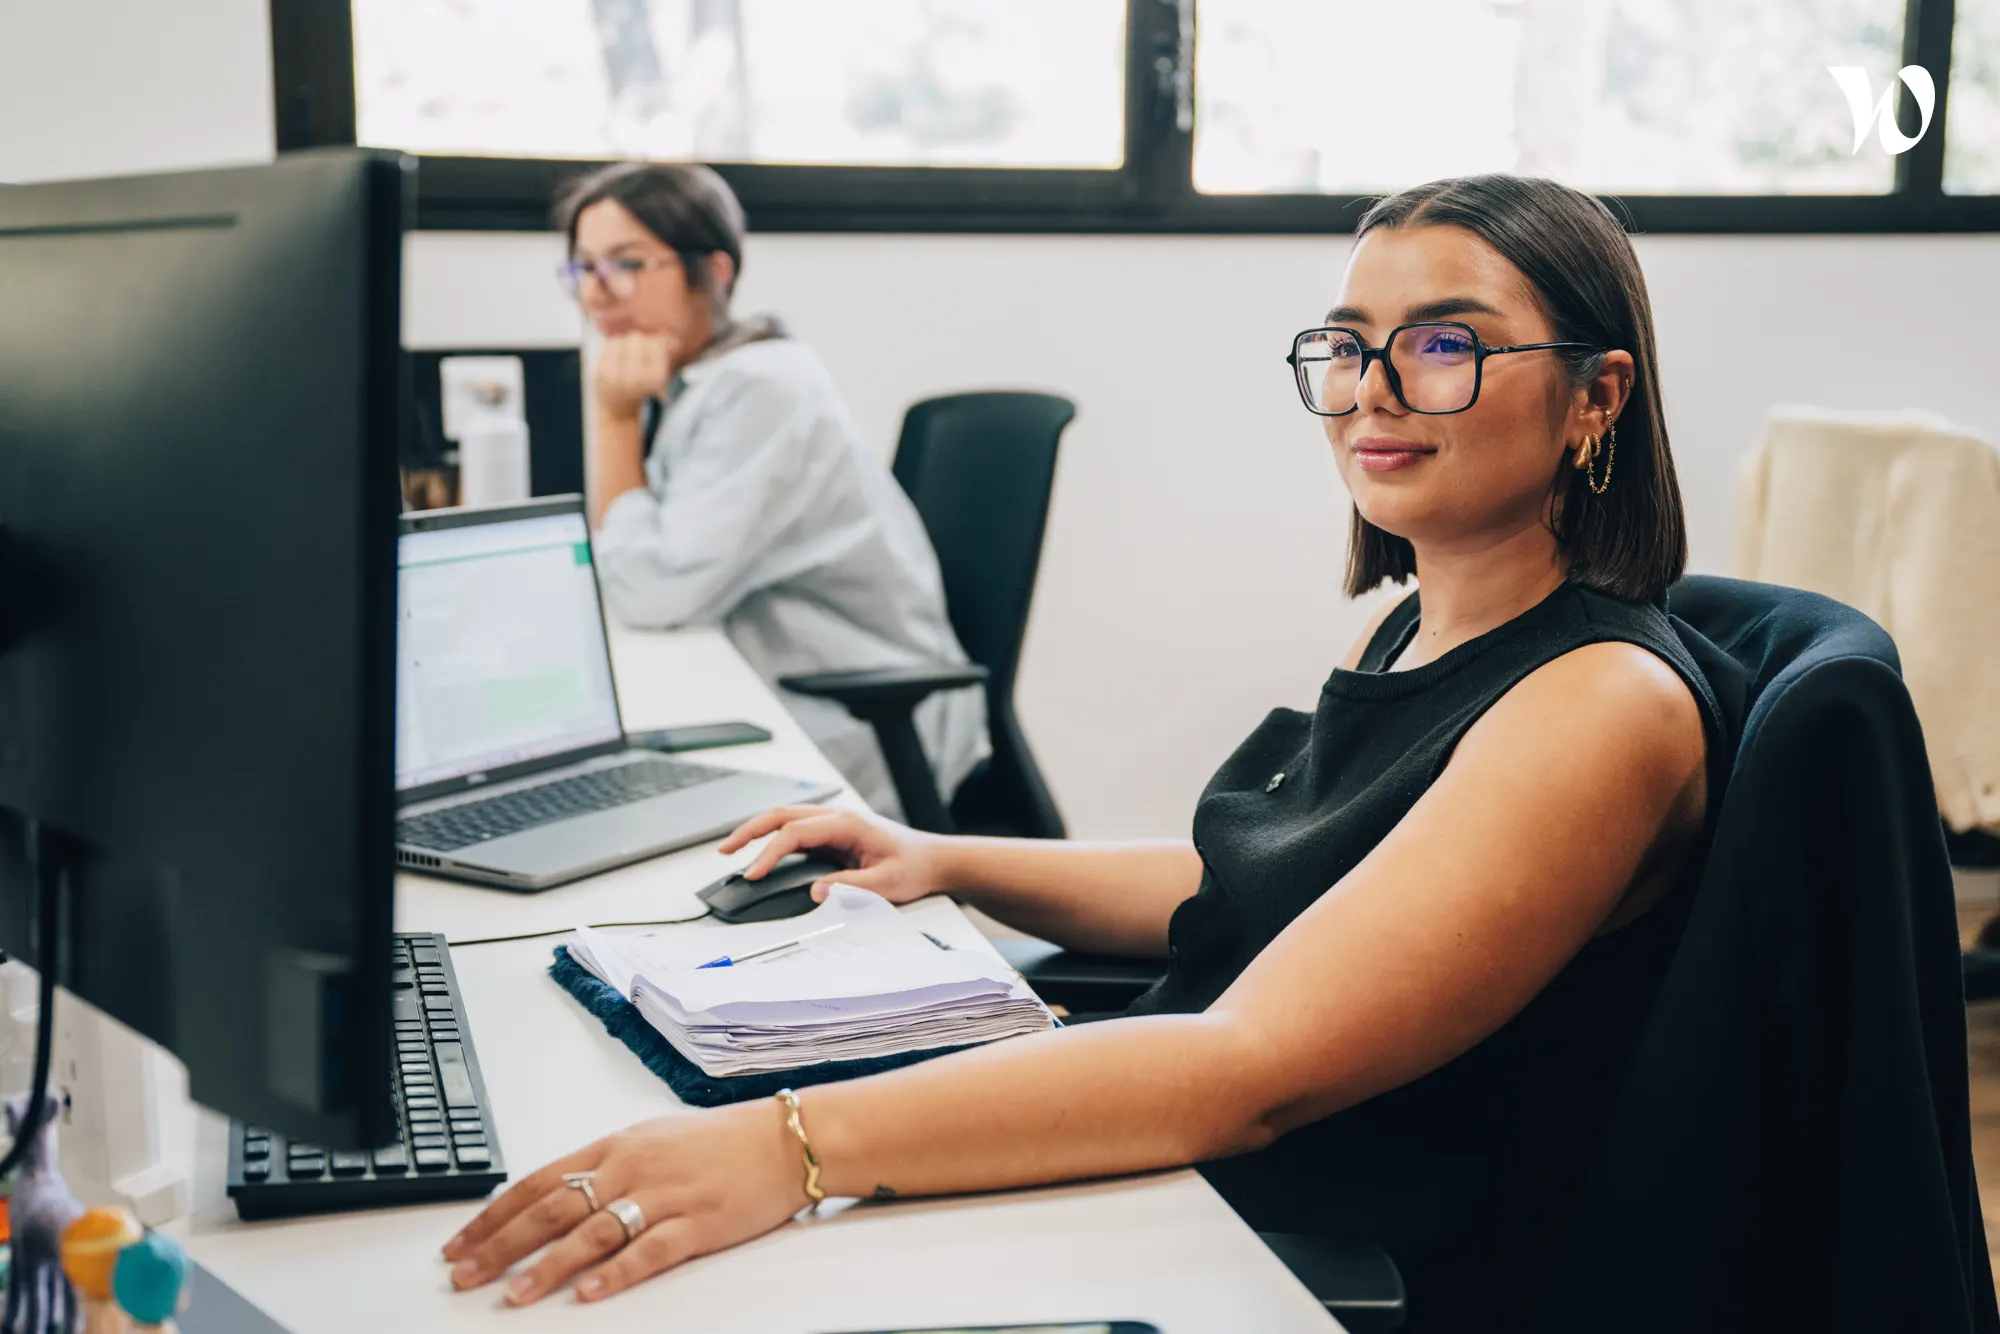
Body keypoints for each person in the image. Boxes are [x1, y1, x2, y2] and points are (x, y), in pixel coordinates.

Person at [442, 174, 1738, 1332]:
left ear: (1596, 395)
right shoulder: (1422, 626)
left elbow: (1252, 1067)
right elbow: (1270, 876)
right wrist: (945, 857)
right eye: (1346, 349)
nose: (1372, 392)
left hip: (1275, 1240)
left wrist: (788, 1146)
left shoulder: (1600, 703)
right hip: (1189, 1173)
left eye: (1442, 344)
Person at [558, 161, 988, 819]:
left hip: (854, 712)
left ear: (716, 272)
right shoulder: (698, 382)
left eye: (628, 264)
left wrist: (613, 420)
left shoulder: (761, 389)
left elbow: (650, 592)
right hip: (778, 686)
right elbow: (634, 570)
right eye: (583, 268)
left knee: (603, 803)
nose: (597, 294)